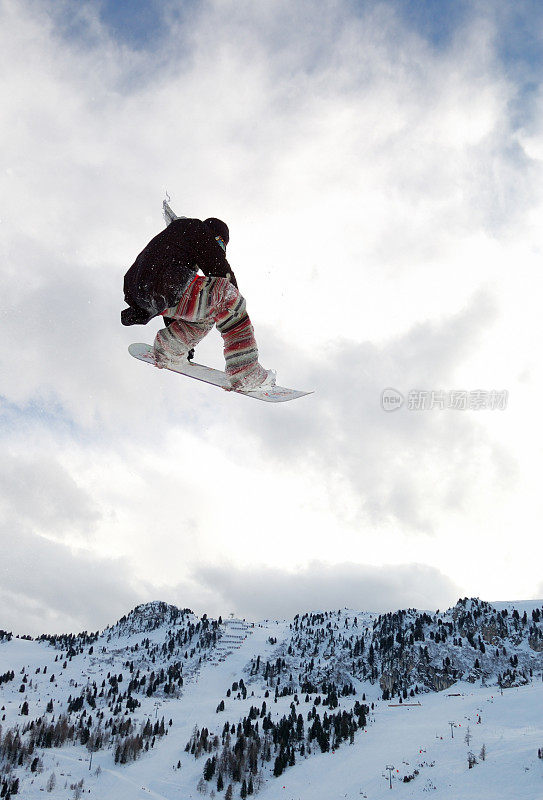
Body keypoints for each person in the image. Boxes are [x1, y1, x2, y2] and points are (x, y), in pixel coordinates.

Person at [121, 203, 275, 391]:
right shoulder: (197, 230)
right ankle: (245, 372)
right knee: (227, 298)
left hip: (142, 292)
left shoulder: (176, 240)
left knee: (206, 311)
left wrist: (178, 333)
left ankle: (169, 347)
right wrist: (236, 306)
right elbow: (220, 269)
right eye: (219, 245)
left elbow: (172, 300)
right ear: (216, 237)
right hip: (163, 282)